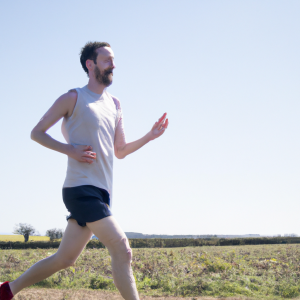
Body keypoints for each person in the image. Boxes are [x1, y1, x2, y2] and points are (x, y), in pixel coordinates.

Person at [0, 41, 168, 300]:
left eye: (113, 60)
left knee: (65, 258)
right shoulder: (73, 98)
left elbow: (120, 150)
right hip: (80, 188)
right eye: (106, 60)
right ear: (90, 65)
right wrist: (70, 150)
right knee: (122, 248)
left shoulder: (115, 103)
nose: (113, 65)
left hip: (102, 191)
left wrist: (150, 136)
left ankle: (6, 290)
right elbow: (36, 133)